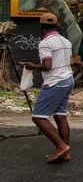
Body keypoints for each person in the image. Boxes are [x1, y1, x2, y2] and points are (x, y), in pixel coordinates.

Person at [24, 12, 74, 163]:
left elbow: (47, 66)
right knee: (60, 116)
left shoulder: (45, 43)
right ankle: (64, 152)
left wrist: (32, 66)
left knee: (38, 117)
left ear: (41, 27)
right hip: (68, 79)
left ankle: (61, 146)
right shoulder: (66, 41)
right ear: (56, 25)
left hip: (54, 82)